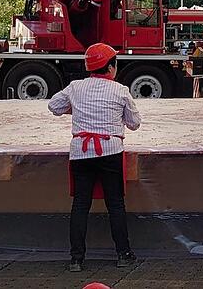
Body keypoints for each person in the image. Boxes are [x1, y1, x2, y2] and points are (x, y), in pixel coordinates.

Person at [48, 43, 141, 272]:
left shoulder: (75, 87)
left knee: (80, 205)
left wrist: (75, 109)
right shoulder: (121, 91)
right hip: (110, 151)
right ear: (110, 67)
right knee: (115, 204)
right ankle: (123, 254)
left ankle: (76, 259)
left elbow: (53, 106)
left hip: (80, 152)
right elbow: (135, 123)